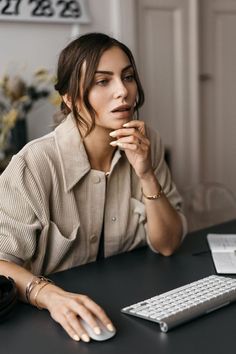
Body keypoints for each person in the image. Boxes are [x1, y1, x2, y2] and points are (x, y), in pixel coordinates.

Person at [0, 32, 187, 342]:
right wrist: (50, 296)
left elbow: (168, 244)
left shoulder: (147, 141)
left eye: (128, 77)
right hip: (47, 325)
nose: (123, 91)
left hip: (132, 312)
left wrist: (146, 172)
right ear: (71, 98)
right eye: (103, 81)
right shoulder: (35, 163)